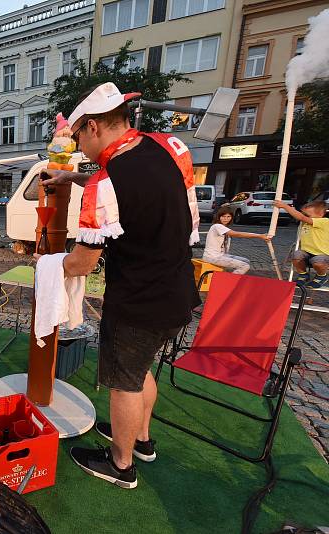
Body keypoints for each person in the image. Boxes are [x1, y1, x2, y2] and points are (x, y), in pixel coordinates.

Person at [38, 83, 201, 489]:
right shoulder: (169, 147)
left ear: (92, 127)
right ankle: (142, 441)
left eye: (77, 138)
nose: (79, 147)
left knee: (124, 383)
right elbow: (182, 214)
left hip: (137, 301)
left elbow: (81, 263)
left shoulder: (104, 186)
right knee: (142, 368)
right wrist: (71, 176)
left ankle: (121, 464)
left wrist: (48, 263)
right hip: (178, 289)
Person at [274, 199, 329, 288]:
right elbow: (300, 217)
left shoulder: (324, 221)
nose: (304, 216)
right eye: (304, 214)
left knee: (318, 261)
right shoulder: (305, 223)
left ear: (320, 215)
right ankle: (303, 275)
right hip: (307, 252)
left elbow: (301, 217)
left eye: (307, 215)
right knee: (296, 255)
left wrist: (285, 206)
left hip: (322, 254)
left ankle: (321, 276)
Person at [202, 206, 270, 275]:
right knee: (244, 266)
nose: (226, 219)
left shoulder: (223, 227)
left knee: (246, 261)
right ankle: (228, 283)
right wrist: (259, 236)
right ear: (219, 217)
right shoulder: (217, 226)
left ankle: (228, 278)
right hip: (212, 256)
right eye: (223, 216)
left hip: (221, 255)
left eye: (228, 216)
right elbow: (237, 234)